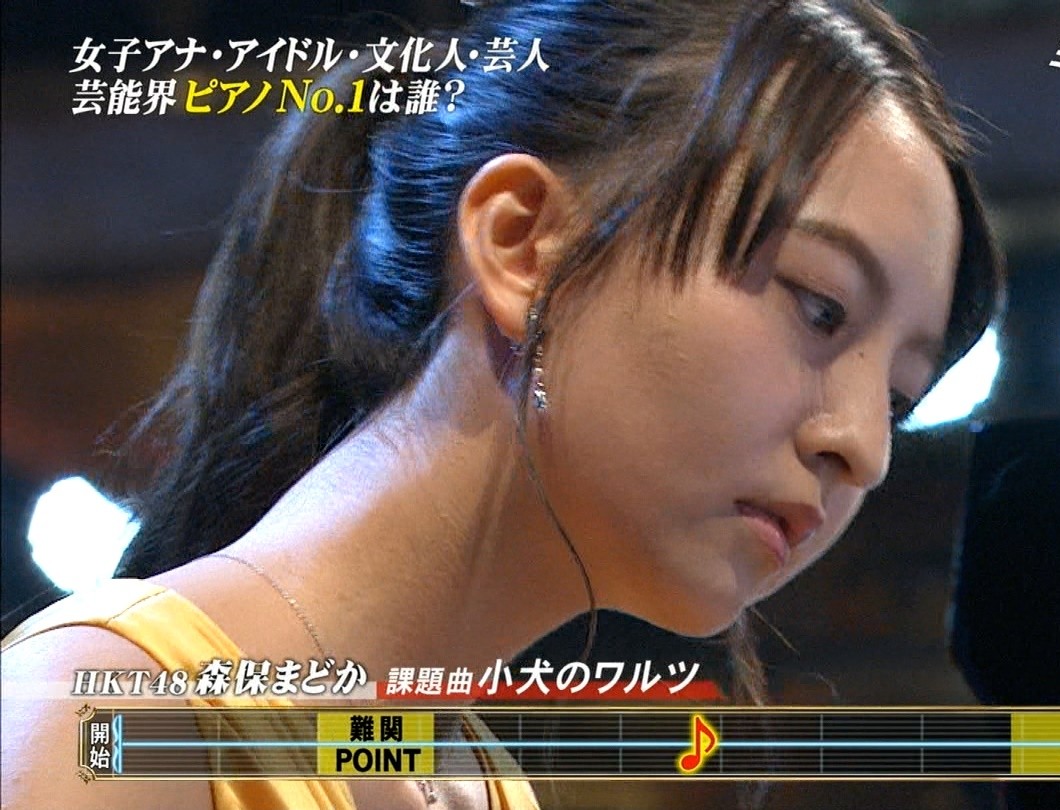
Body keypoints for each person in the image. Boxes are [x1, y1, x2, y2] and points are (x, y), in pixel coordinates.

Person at [1, 0, 1002, 807]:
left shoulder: (470, 777)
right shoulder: (107, 725)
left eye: (900, 398)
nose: (864, 448)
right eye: (820, 307)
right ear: (524, 245)